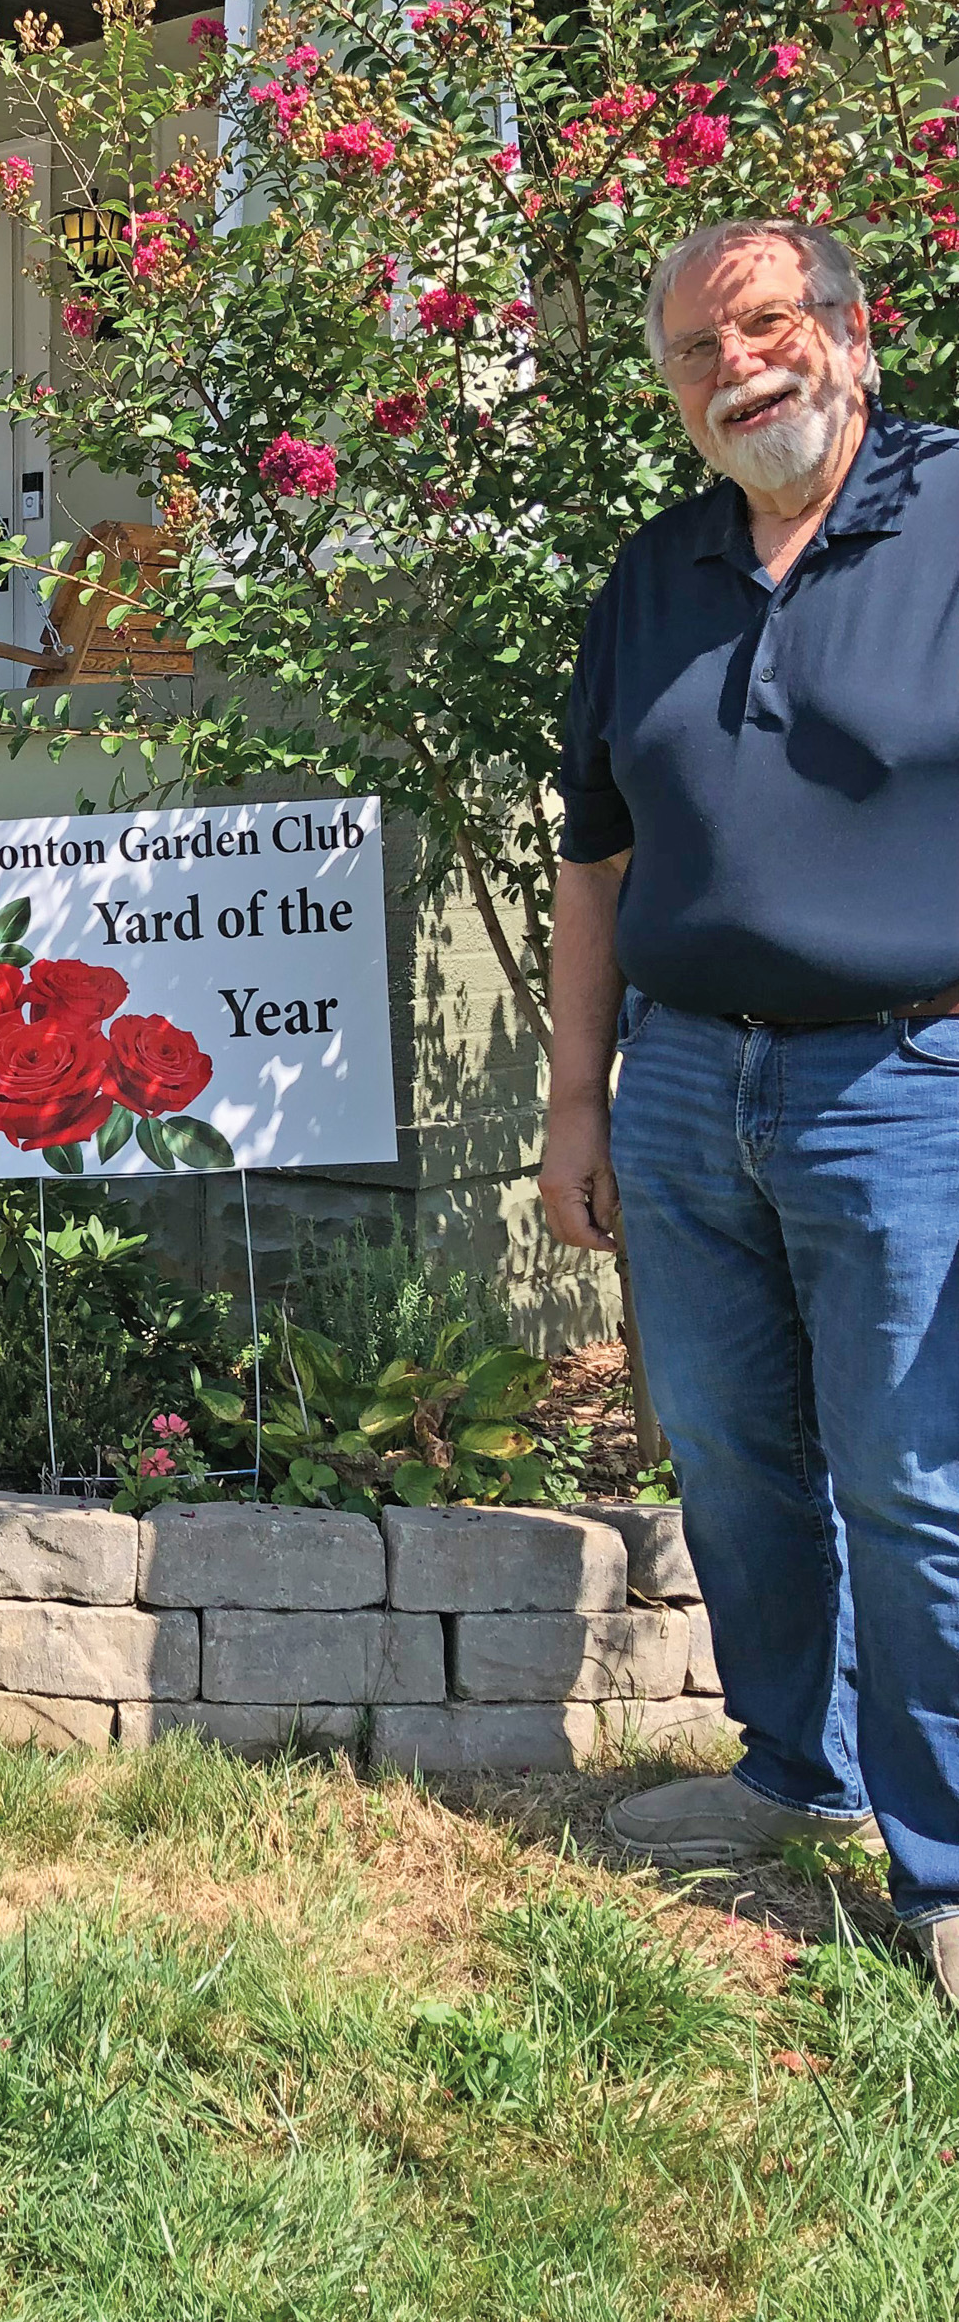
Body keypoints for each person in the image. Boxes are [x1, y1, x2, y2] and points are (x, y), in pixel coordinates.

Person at [542, 218, 959, 2009]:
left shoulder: (949, 518)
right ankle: (797, 1773)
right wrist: (576, 1101)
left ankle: (946, 1873)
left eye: (767, 326)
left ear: (850, 335)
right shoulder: (658, 571)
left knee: (918, 1480)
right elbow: (593, 859)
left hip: (911, 1084)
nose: (738, 370)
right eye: (698, 354)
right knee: (731, 1456)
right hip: (688, 1079)